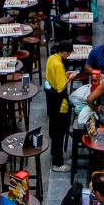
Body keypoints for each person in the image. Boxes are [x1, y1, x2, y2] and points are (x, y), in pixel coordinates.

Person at [44, 41, 73, 172]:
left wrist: (63, 75)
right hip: (60, 103)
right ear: (65, 52)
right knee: (60, 133)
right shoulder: (59, 64)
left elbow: (52, 77)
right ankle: (58, 163)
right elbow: (61, 87)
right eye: (69, 54)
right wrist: (69, 78)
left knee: (54, 129)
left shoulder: (51, 58)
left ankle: (55, 153)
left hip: (51, 100)